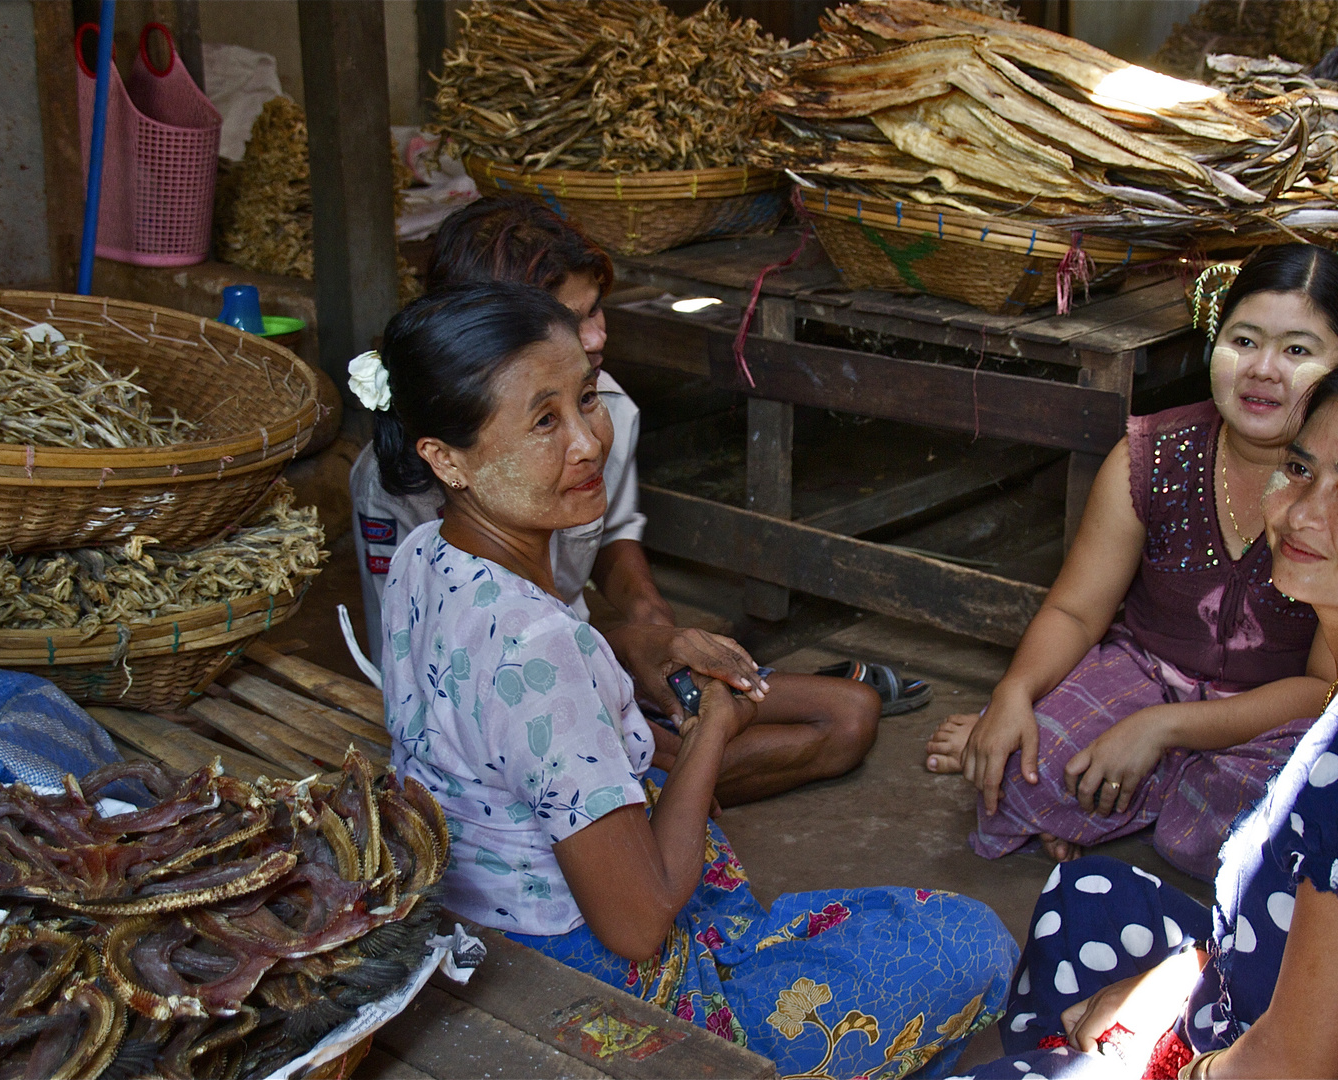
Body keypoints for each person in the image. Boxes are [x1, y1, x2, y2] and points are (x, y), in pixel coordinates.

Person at [371, 282, 1019, 1078]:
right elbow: (638, 929)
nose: (587, 441)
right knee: (973, 943)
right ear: (445, 457)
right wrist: (714, 726)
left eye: (586, 399)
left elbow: (493, 684)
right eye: (544, 420)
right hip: (583, 974)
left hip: (486, 920)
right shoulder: (540, 650)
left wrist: (640, 646)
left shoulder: (425, 556)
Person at [972, 343, 1338, 1079]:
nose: (1300, 513)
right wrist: (1179, 977)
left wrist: (1167, 1057)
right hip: (1288, 1006)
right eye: (1298, 470)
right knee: (1087, 896)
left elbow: (1296, 1065)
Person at [351, 196, 912, 808]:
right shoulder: (402, 489)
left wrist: (652, 629)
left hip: (587, 656)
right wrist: (623, 668)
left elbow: (611, 537)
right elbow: (450, 667)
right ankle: (651, 784)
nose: (596, 337)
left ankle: (661, 773)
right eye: (571, 318)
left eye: (597, 311)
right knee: (693, 750)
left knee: (850, 715)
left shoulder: (600, 411)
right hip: (510, 699)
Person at [926, 244, 1338, 877]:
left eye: (1298, 351)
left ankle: (1128, 796)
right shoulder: (1151, 456)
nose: (1263, 369)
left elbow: (1324, 687)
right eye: (1244, 340)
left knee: (1283, 820)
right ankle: (1128, 791)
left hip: (1269, 712)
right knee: (1023, 770)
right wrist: (1014, 693)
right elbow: (1077, 611)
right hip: (1145, 671)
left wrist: (1162, 730)